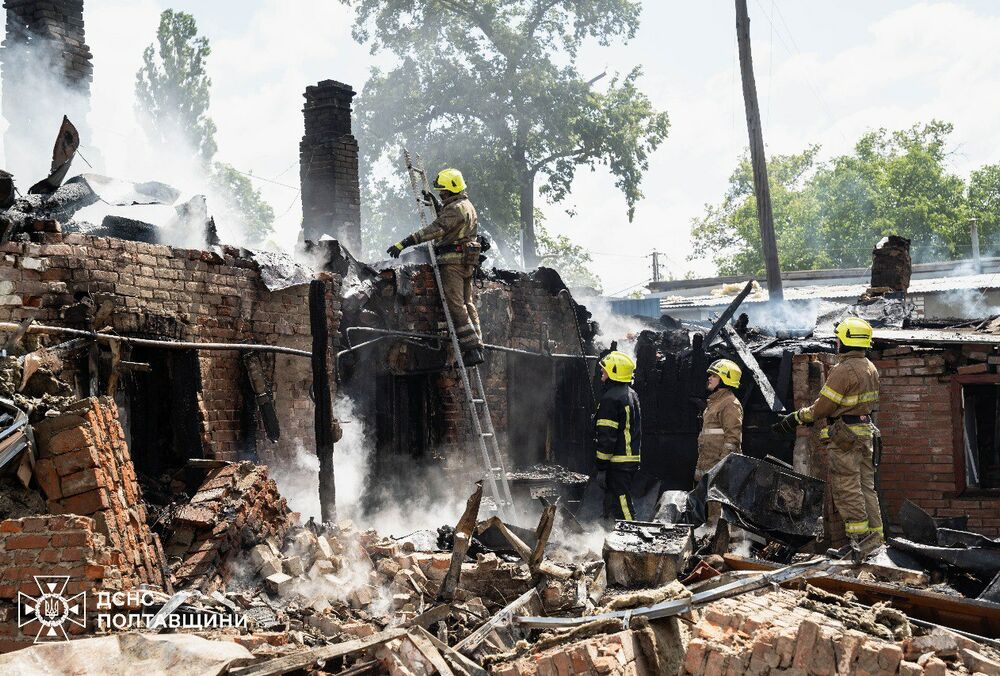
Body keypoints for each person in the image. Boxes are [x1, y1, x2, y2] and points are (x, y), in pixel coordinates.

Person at [773, 317, 882, 558]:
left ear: (844, 341)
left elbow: (823, 408)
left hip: (846, 436)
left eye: (839, 338)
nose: (836, 342)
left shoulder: (843, 370)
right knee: (866, 488)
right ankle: (875, 541)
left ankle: (859, 543)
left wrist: (797, 417)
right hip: (864, 433)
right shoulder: (870, 367)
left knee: (847, 488)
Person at [387, 168, 484, 366]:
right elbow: (452, 224)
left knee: (456, 304)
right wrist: (436, 203)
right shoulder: (467, 206)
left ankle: (470, 349)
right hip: (468, 262)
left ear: (450, 190)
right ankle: (477, 344)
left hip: (453, 262)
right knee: (468, 303)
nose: (441, 193)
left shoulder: (454, 209)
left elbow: (437, 229)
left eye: (443, 191)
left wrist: (405, 242)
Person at [594, 351, 642, 522]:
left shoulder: (611, 399)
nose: (602, 373)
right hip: (629, 458)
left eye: (604, 370)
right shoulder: (631, 394)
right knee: (613, 501)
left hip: (618, 461)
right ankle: (608, 532)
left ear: (614, 371)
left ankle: (632, 534)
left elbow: (607, 438)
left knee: (622, 503)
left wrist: (601, 467)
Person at [696, 358, 744, 485]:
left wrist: (722, 470)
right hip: (707, 468)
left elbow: (732, 440)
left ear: (725, 379)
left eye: (714, 375)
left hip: (718, 473)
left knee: (717, 505)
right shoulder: (714, 403)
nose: (709, 378)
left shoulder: (730, 404)